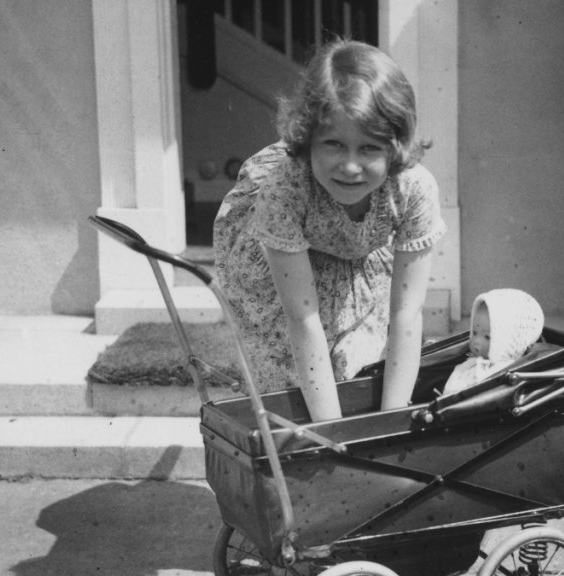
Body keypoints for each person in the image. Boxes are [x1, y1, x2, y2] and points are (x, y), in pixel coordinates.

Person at [212, 40, 447, 421]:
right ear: (308, 141)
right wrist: (331, 433)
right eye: (334, 144)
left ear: (395, 147)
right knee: (293, 388)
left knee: (364, 367)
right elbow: (301, 318)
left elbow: (406, 313)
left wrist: (392, 422)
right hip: (285, 259)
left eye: (369, 148)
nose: (350, 166)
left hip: (358, 249)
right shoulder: (284, 189)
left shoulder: (414, 189)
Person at [441, 289, 544, 396]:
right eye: (475, 333)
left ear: (508, 343)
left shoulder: (500, 375)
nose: (476, 341)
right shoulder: (473, 364)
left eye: (487, 337)